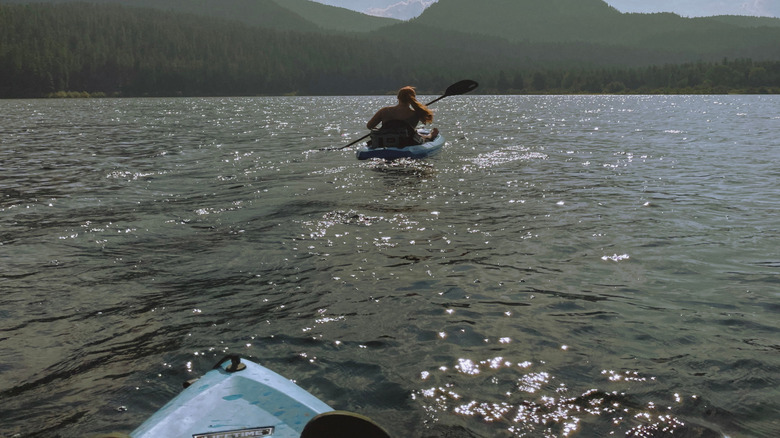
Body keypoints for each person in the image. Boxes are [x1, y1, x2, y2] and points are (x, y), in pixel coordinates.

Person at [366, 86, 439, 147]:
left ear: (398, 97)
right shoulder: (416, 113)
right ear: (413, 99)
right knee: (423, 136)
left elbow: (369, 126)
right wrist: (421, 109)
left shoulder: (384, 111)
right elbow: (425, 121)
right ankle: (432, 135)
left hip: (386, 141)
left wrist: (381, 130)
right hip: (406, 142)